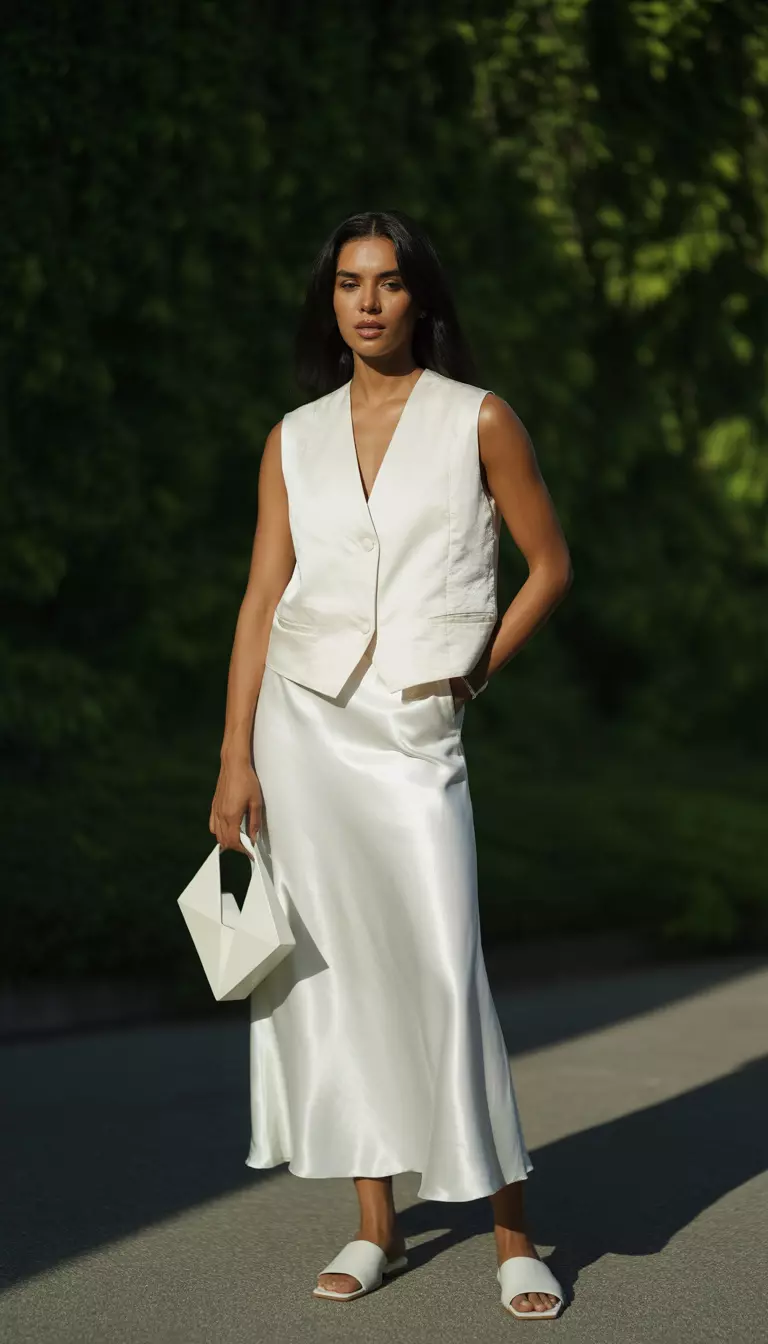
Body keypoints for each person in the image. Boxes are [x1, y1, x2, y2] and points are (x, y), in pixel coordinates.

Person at [209, 210, 572, 1320]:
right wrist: (235, 757)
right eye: (350, 283)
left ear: (424, 300)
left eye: (391, 282)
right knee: (334, 977)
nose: (369, 301)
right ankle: (379, 1226)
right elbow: (263, 597)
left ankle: (512, 1229)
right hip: (303, 728)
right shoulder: (293, 436)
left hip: (416, 733)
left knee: (444, 965)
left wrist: (474, 673)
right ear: (331, 302)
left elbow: (549, 566)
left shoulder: (480, 420)